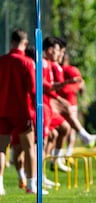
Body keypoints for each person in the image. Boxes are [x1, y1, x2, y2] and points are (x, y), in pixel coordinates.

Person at [0, 29, 44, 194]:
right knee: (29, 148)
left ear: (11, 41)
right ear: (24, 43)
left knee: (1, 149)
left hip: (2, 110)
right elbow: (34, 91)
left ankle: (0, 185)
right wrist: (37, 113)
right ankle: (32, 185)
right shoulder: (27, 62)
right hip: (22, 112)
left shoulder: (1, 61)